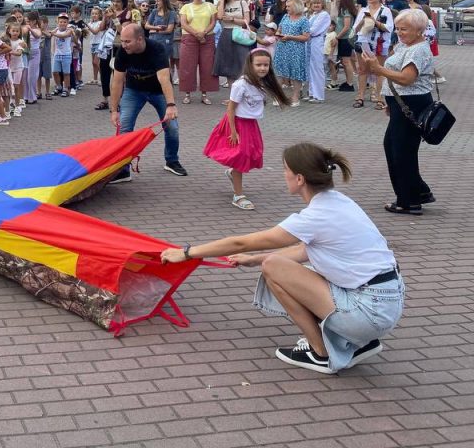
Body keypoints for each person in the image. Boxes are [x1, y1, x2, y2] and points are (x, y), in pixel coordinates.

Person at [161, 143, 402, 375]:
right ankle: (358, 343)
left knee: (273, 268)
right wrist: (253, 259)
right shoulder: (340, 202)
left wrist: (187, 253)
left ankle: (321, 353)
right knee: (278, 264)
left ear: (300, 179)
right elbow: (305, 251)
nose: (283, 174)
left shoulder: (315, 217)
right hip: (387, 304)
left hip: (368, 312)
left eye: (286, 169)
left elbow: (241, 242)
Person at [362, 8, 436, 215]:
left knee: (401, 151)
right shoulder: (405, 45)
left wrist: (378, 69)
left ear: (419, 30)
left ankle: (409, 201)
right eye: (398, 28)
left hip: (412, 103)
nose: (399, 33)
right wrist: (391, 101)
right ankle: (419, 191)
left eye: (404, 29)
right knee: (395, 147)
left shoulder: (418, 50)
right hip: (402, 102)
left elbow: (406, 78)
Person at [203, 49, 290, 210]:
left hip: (251, 124)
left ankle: (232, 173)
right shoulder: (240, 84)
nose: (263, 68)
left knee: (251, 154)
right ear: (250, 65)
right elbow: (231, 109)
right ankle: (238, 195)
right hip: (237, 123)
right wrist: (233, 131)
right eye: (258, 65)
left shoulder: (262, 82)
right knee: (240, 157)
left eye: (266, 65)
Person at [109, 23, 187, 179]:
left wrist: (171, 105)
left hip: (158, 91)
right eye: (122, 41)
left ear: (140, 39)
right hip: (134, 90)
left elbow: (164, 79)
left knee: (172, 127)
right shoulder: (122, 51)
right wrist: (114, 110)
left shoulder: (157, 49)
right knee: (124, 127)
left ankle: (172, 161)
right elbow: (117, 82)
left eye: (127, 41)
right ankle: (123, 170)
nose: (123, 45)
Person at [351, 0, 394, 109]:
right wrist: (363, 21)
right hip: (363, 42)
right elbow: (355, 29)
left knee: (379, 71)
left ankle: (380, 98)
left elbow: (389, 28)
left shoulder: (385, 10)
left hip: (379, 43)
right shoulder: (363, 10)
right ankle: (360, 97)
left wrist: (374, 22)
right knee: (362, 70)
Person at [178, 0, 218, 105]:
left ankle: (204, 95)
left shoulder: (211, 6)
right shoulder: (186, 7)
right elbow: (183, 23)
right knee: (187, 66)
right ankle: (187, 94)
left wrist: (204, 33)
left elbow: (213, 22)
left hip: (207, 38)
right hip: (189, 38)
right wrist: (197, 34)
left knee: (207, 66)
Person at [273, 0, 309, 107]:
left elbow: (306, 37)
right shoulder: (285, 17)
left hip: (296, 49)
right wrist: (278, 35)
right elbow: (279, 29)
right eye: (286, 6)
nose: (286, 8)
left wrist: (290, 37)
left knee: (295, 74)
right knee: (279, 72)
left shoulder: (303, 20)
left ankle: (295, 97)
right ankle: (278, 96)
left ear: (296, 7)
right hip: (282, 48)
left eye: (289, 6)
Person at [213, 0, 251, 86]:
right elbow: (219, 17)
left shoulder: (242, 3)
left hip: (239, 34)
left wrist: (232, 19)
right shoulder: (222, 4)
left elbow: (247, 21)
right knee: (228, 66)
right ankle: (232, 93)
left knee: (242, 63)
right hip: (226, 33)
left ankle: (244, 90)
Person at [145, 0, 178, 86]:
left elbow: (169, 30)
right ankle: (154, 84)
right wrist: (157, 28)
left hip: (165, 42)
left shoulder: (171, 13)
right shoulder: (154, 12)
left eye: (158, 1)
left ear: (164, 1)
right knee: (152, 62)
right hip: (153, 41)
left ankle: (166, 84)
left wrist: (154, 31)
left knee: (164, 63)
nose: (156, 3)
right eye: (156, 1)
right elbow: (146, 26)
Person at [305, 0, 331, 103]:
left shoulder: (324, 15)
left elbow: (314, 30)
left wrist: (303, 31)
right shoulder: (313, 15)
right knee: (310, 68)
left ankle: (319, 95)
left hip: (316, 41)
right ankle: (312, 93)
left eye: (318, 3)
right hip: (310, 41)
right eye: (314, 3)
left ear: (322, 5)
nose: (316, 5)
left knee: (317, 68)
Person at [333, 0, 358, 92]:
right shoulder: (345, 10)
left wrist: (337, 37)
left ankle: (350, 83)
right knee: (344, 61)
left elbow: (346, 27)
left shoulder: (346, 11)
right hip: (343, 38)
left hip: (345, 38)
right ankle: (348, 81)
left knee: (346, 62)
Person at [51, 12, 76, 96]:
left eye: (65, 22)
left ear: (67, 23)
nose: (62, 23)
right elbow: (49, 34)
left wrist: (53, 33)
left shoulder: (69, 30)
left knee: (66, 73)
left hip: (66, 55)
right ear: (58, 22)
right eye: (61, 22)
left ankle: (66, 89)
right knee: (55, 72)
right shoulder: (56, 29)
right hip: (57, 54)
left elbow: (63, 36)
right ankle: (59, 87)